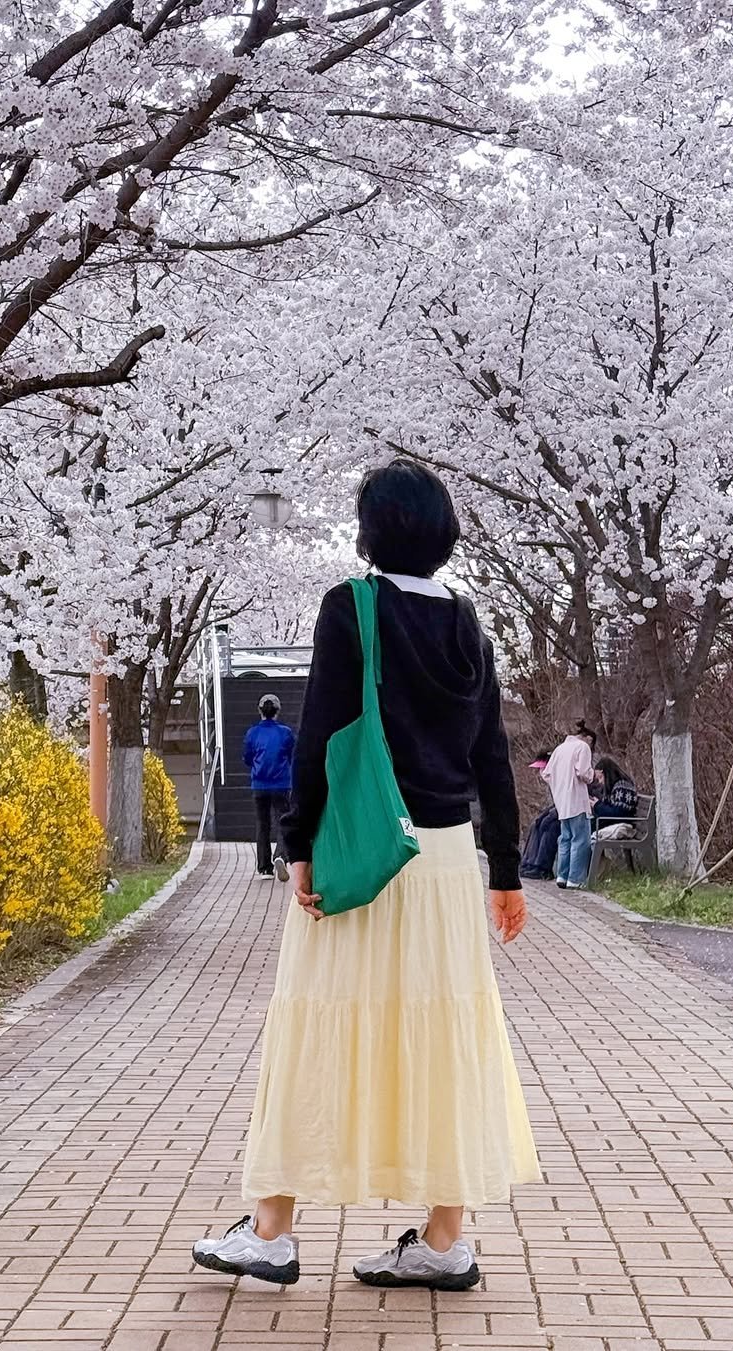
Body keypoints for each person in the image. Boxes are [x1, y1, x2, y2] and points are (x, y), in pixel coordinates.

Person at [194, 460, 539, 1292]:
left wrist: (299, 842)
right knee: (446, 1035)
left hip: (367, 853)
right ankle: (444, 1239)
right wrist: (507, 872)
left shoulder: (352, 608)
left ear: (371, 529)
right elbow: (493, 752)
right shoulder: (469, 624)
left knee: (319, 1024)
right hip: (449, 857)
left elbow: (324, 729)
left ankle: (272, 1231)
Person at [243, 694, 295, 881]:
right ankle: (280, 855)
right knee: (283, 821)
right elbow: (292, 755)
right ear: (277, 711)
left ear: (260, 711)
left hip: (259, 784)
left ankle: (265, 868)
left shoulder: (252, 733)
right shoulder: (285, 732)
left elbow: (247, 758)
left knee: (262, 824)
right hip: (281, 784)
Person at [541, 720, 597, 889]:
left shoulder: (559, 749)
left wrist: (558, 787)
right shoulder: (582, 747)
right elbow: (583, 772)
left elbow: (546, 774)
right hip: (577, 800)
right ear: (587, 738)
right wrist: (592, 775)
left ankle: (561, 875)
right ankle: (575, 878)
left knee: (565, 838)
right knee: (580, 839)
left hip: (562, 802)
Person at [520, 751, 560, 881]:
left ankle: (542, 867)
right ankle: (529, 861)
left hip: (565, 814)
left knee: (548, 826)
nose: (541, 773)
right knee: (536, 824)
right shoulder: (551, 783)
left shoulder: (561, 779)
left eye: (543, 768)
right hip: (556, 810)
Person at [593, 756, 638, 823]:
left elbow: (618, 814)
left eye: (600, 777)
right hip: (614, 824)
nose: (600, 781)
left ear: (606, 773)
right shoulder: (614, 787)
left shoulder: (623, 787)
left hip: (621, 825)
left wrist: (597, 805)